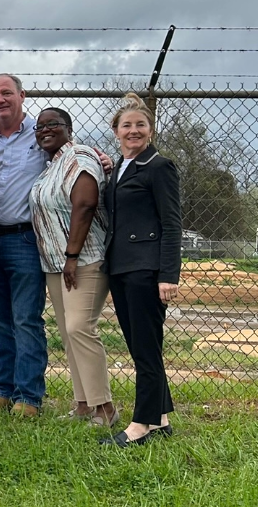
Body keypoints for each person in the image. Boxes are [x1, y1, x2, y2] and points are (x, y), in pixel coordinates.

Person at [28, 107, 117, 426]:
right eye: (39, 127)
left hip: (84, 259)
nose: (44, 130)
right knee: (69, 332)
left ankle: (104, 407)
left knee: (80, 327)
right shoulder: (51, 165)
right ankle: (83, 403)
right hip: (55, 264)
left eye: (52, 124)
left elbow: (86, 203)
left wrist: (72, 255)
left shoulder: (79, 156)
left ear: (68, 127)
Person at [101, 93, 181, 447]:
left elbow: (172, 223)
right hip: (120, 267)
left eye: (140, 125)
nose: (133, 131)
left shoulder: (159, 166)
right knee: (139, 346)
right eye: (126, 125)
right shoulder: (118, 168)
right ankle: (160, 419)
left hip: (146, 270)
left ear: (150, 130)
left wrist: (168, 274)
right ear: (116, 131)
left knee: (146, 348)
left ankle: (140, 424)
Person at [0, 73, 49, 417]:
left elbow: (72, 158)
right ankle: (4, 390)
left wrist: (101, 159)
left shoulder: (42, 136)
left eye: (6, 93)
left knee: (26, 319)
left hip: (24, 238)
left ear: (22, 96)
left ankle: (28, 396)